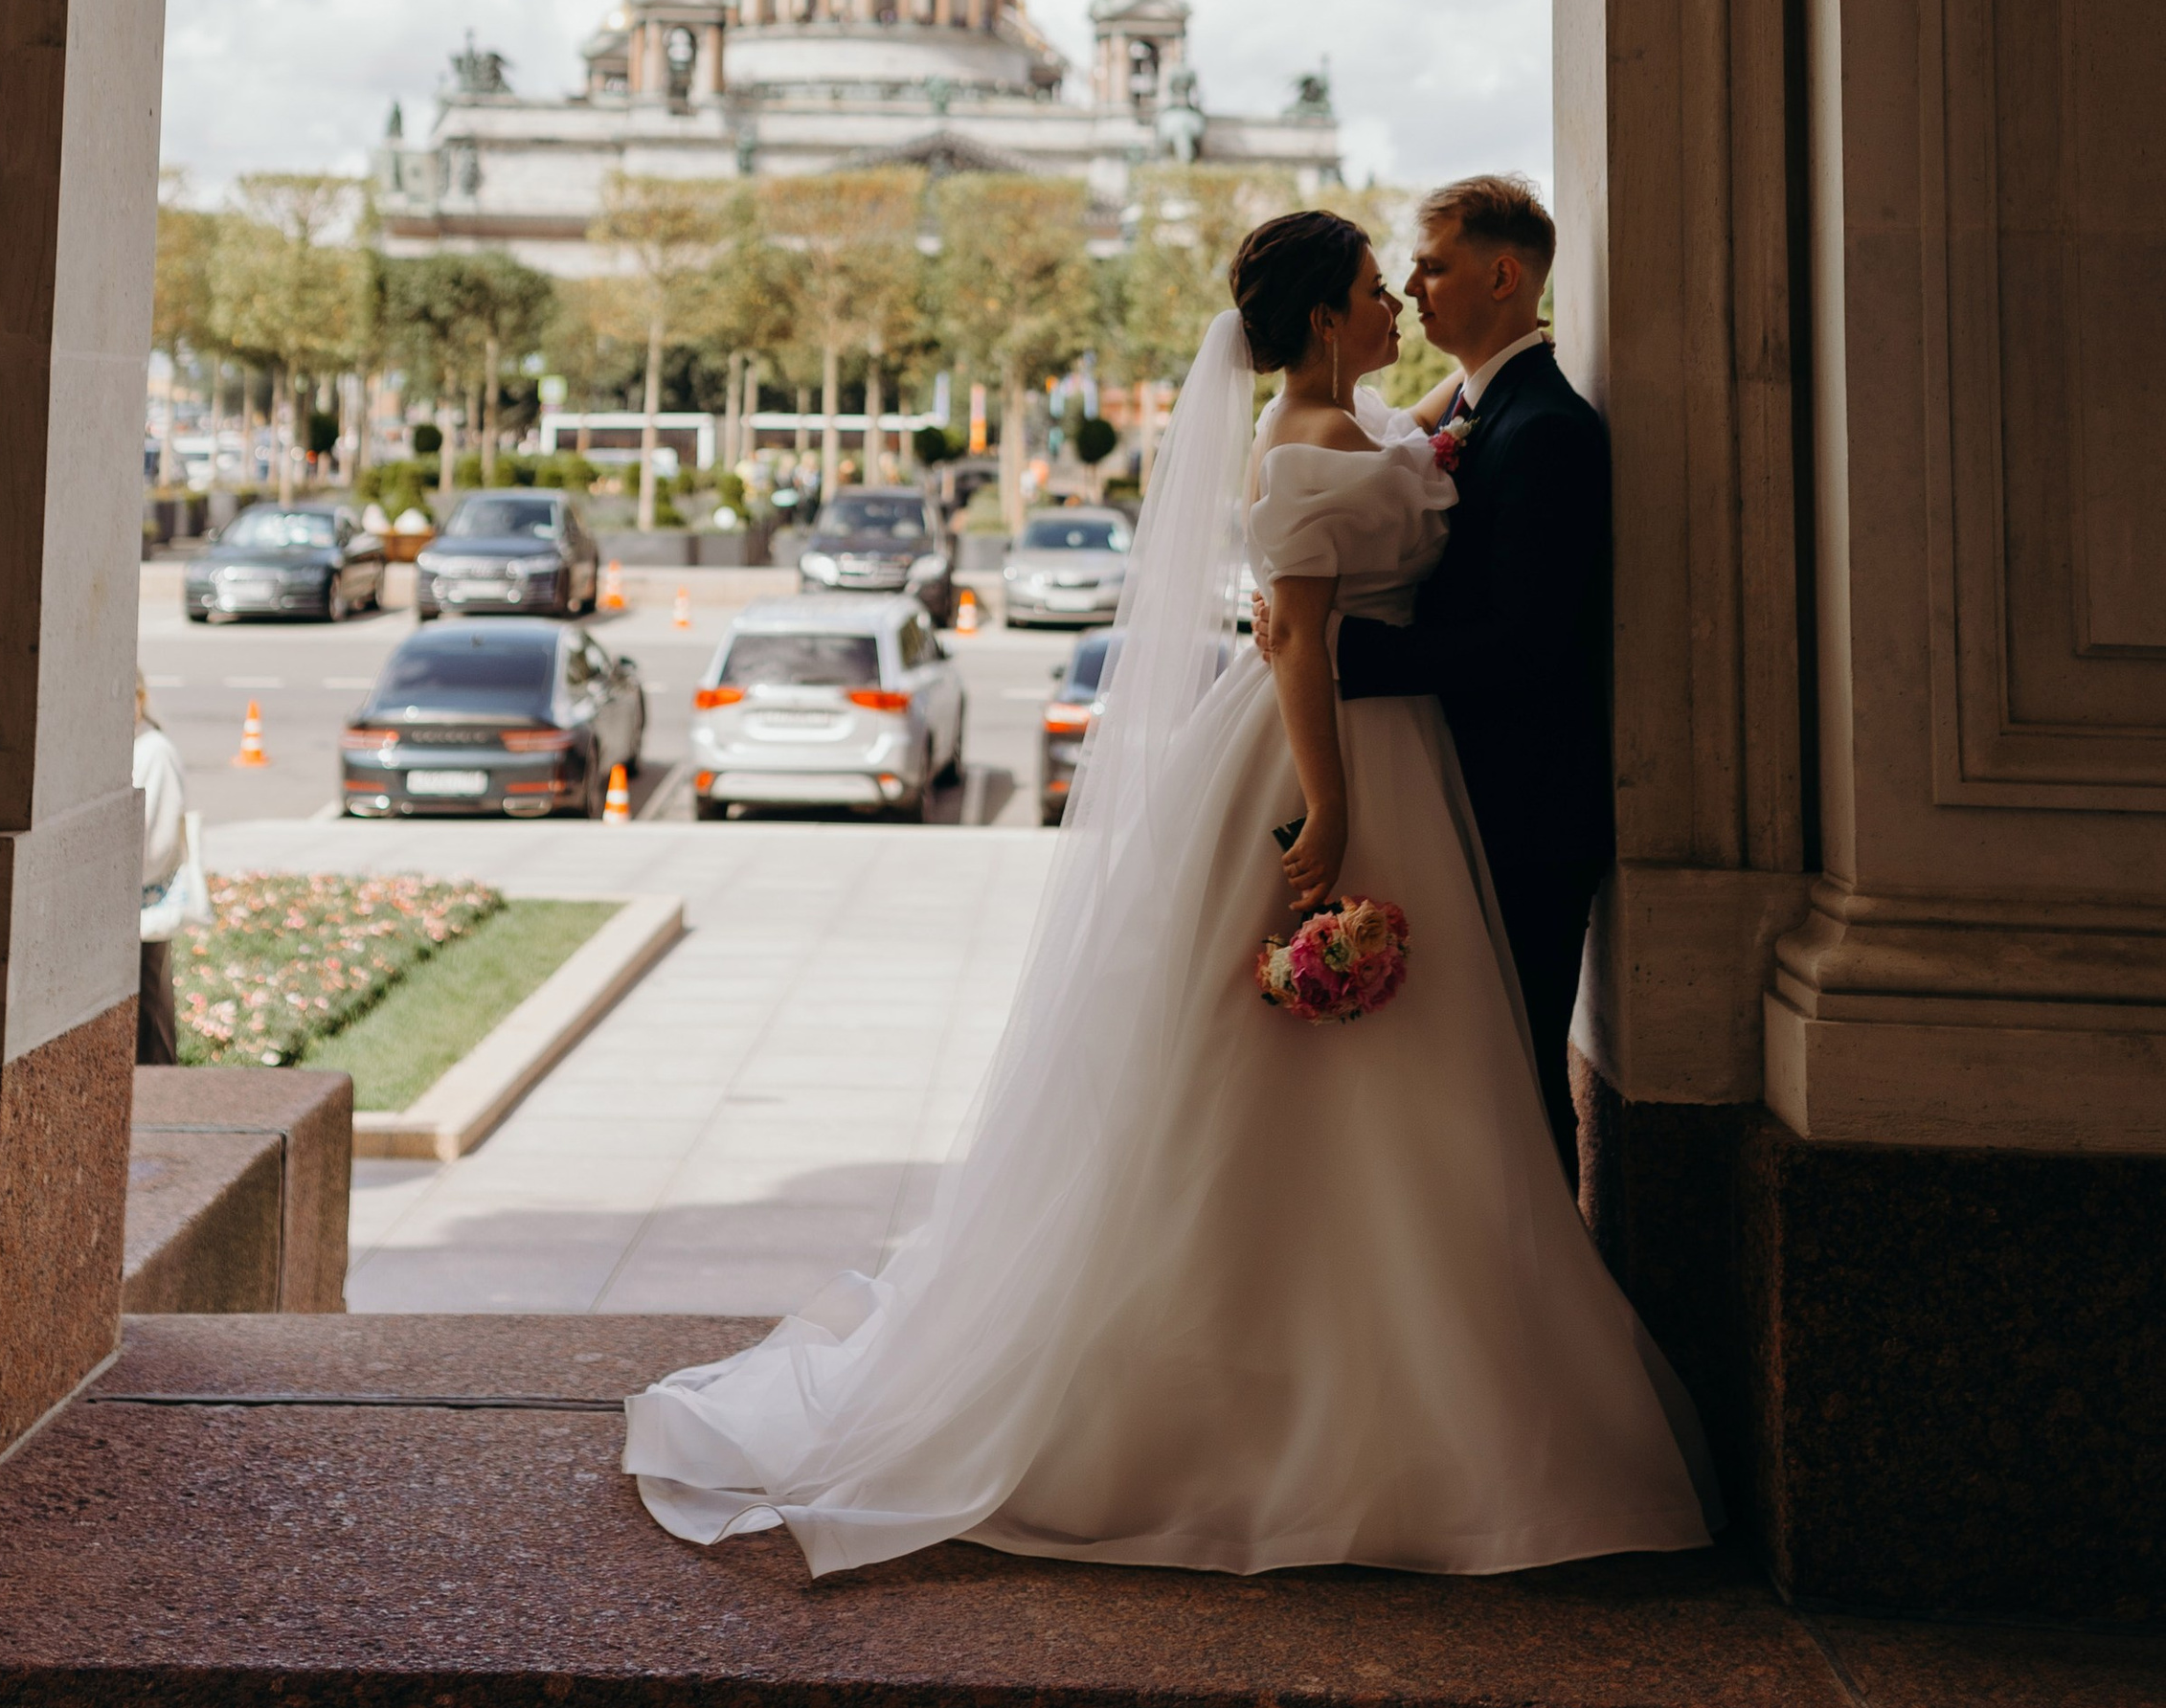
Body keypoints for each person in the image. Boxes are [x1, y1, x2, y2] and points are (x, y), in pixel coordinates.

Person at [621, 210, 1713, 1579]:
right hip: (1333, 753)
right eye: (1376, 288)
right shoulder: (1306, 442)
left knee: (1402, 1074)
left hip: (1400, 754)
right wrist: (1332, 807)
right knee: (1298, 1065)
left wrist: (1491, 366)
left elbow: (1428, 435)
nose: (1397, 302)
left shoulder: (1364, 421)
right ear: (1324, 319)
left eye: (1413, 278)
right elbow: (1300, 634)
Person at [1325, 175, 1611, 1178]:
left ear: (1502, 277)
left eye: (1432, 266)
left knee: (1518, 1079)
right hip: (1462, 800)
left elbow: (1524, 644)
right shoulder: (1477, 408)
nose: (1411, 288)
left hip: (1523, 817)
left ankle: (1547, 1266)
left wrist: (1340, 649)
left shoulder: (1547, 431)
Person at [133, 674, 192, 1064]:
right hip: (126, 908)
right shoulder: (131, 745)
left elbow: (153, 847)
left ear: (140, 697)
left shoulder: (153, 751)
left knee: (150, 1027)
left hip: (141, 908)